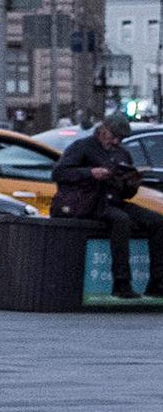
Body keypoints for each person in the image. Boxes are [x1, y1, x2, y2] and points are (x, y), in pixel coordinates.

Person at [54, 110, 156, 298]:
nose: (116, 142)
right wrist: (90, 173)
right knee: (121, 221)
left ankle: (157, 284)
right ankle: (121, 283)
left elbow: (126, 193)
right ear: (103, 130)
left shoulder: (122, 154)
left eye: (121, 139)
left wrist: (131, 184)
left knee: (157, 221)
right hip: (91, 202)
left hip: (114, 201)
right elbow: (60, 173)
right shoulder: (82, 147)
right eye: (114, 137)